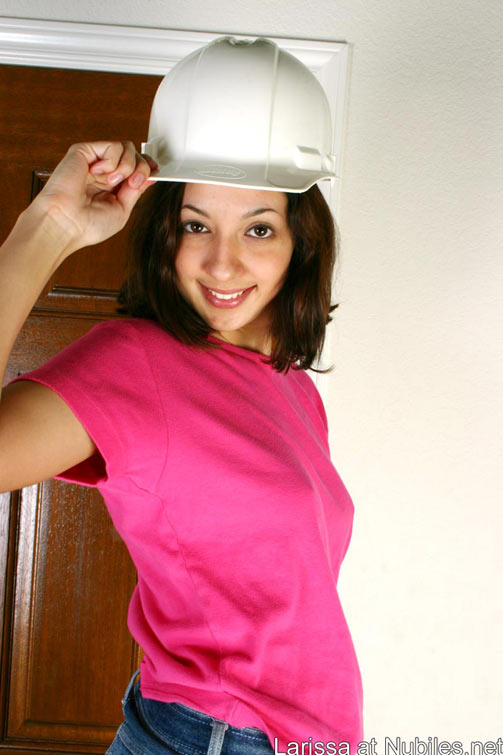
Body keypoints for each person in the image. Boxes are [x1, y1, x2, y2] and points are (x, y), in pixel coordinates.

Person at [0, 38, 363, 755]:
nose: (222, 262)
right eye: (197, 225)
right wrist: (51, 226)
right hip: (214, 737)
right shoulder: (136, 363)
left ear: (300, 241)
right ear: (167, 230)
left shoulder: (292, 387)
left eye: (258, 228)